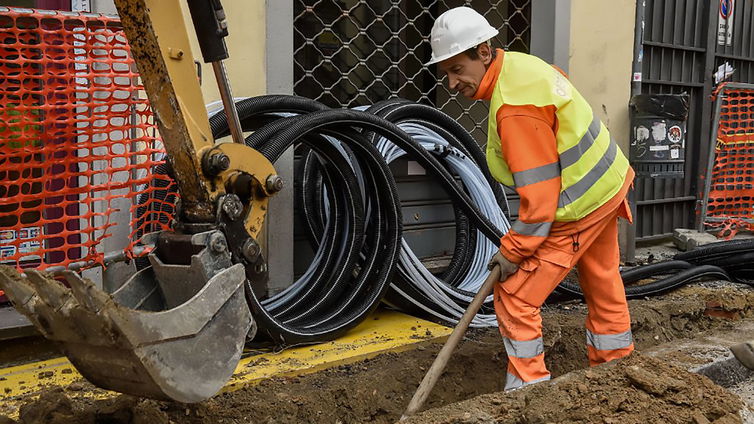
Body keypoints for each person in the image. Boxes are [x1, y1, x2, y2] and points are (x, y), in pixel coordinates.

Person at [427, 6, 635, 390]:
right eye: (447, 74)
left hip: (578, 205)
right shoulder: (521, 67)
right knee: (602, 279)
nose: (453, 84)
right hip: (606, 185)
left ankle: (529, 391)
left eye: (458, 70)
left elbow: (540, 202)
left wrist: (513, 250)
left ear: (484, 52)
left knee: (515, 296)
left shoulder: (515, 109)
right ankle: (616, 375)